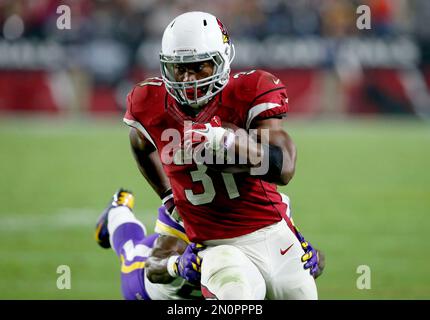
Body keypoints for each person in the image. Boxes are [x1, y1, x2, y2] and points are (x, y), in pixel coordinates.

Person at [123, 11, 322, 299]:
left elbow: (283, 168)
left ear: (222, 59)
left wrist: (230, 141)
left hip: (268, 233)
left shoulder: (249, 91)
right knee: (233, 294)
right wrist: (167, 196)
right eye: (180, 68)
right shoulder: (149, 103)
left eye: (199, 66)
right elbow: (139, 143)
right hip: (213, 242)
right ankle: (118, 219)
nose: (188, 79)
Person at [95, 189, 324, 300]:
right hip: (165, 295)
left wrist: (313, 259)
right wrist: (177, 265)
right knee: (131, 252)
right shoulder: (187, 203)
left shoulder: (271, 203)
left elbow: (291, 256)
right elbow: (154, 267)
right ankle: (118, 210)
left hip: (227, 297)